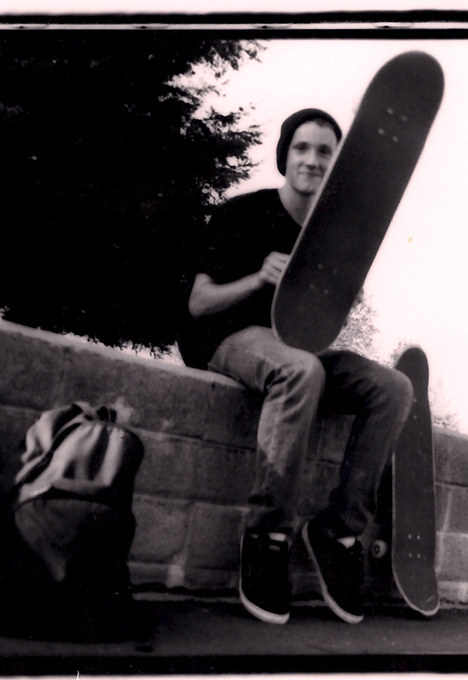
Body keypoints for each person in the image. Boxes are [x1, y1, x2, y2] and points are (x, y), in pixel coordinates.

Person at [177, 108, 413, 625]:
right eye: (302, 148)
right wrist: (259, 278)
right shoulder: (243, 213)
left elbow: (318, 324)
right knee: (303, 370)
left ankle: (338, 531)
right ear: (285, 155)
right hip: (225, 338)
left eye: (325, 152)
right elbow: (198, 304)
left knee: (394, 387)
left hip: (295, 345)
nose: (312, 160)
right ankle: (268, 533)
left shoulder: (334, 235)